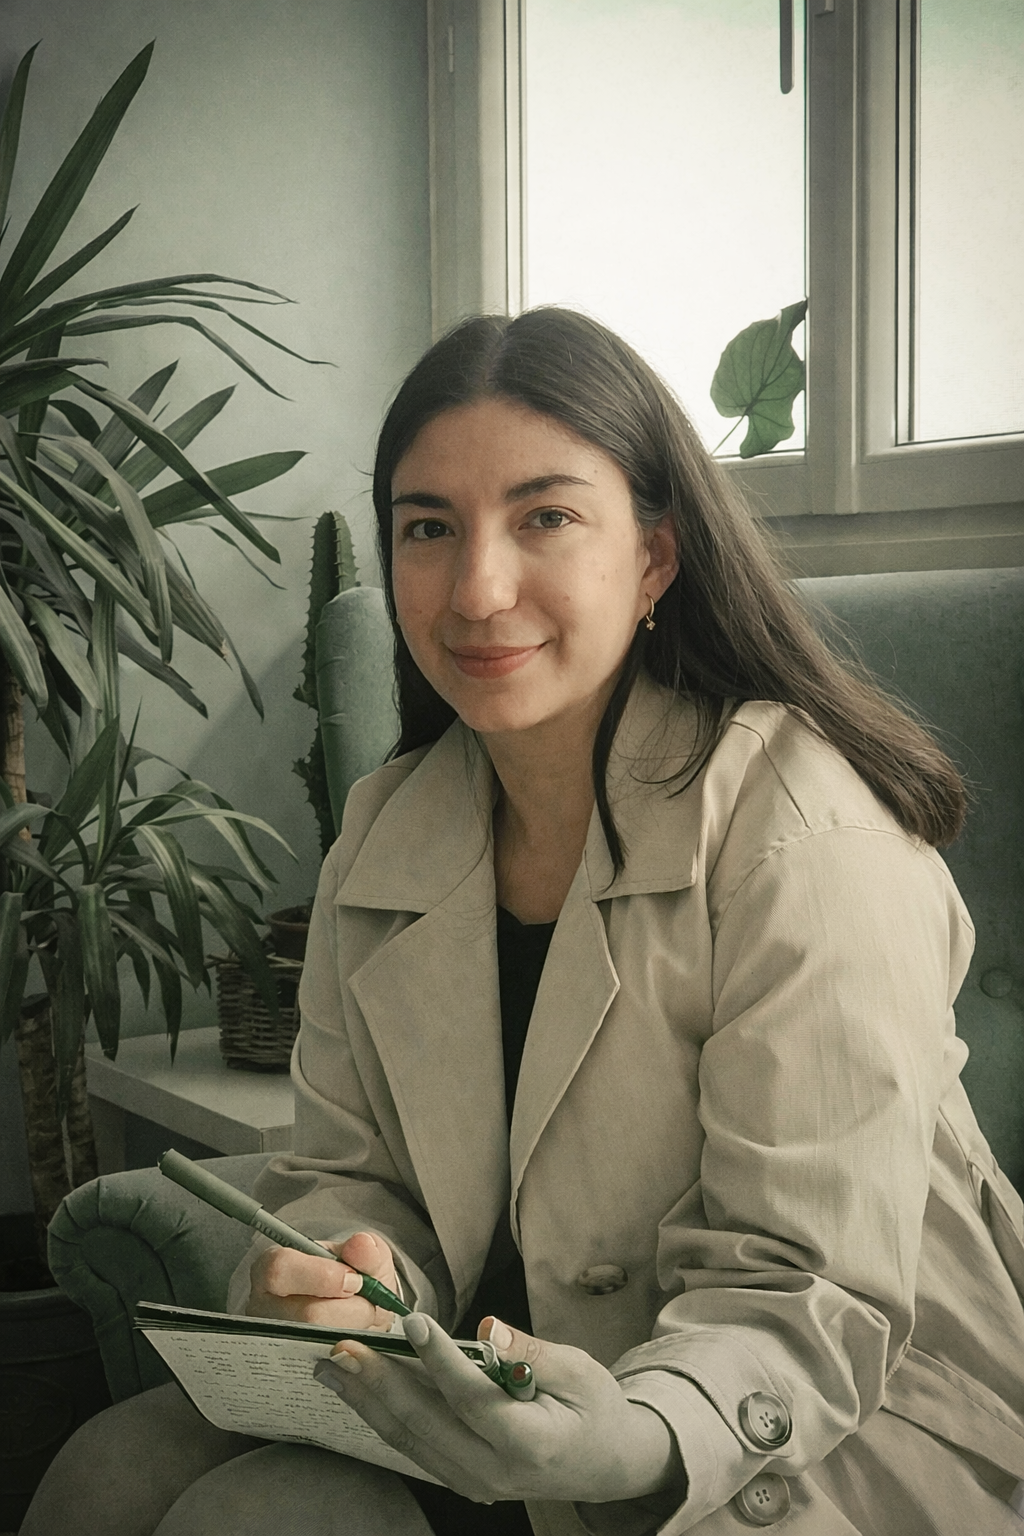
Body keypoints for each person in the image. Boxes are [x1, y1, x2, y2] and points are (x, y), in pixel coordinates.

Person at [24, 308, 1024, 1536]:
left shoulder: (806, 832)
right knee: (108, 1469)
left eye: (545, 517)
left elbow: (805, 1295)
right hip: (499, 1375)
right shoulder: (388, 826)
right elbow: (352, 1174)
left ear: (654, 557)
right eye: (428, 529)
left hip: (813, 1419)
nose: (478, 587)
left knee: (271, 1514)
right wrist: (354, 1264)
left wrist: (625, 1438)